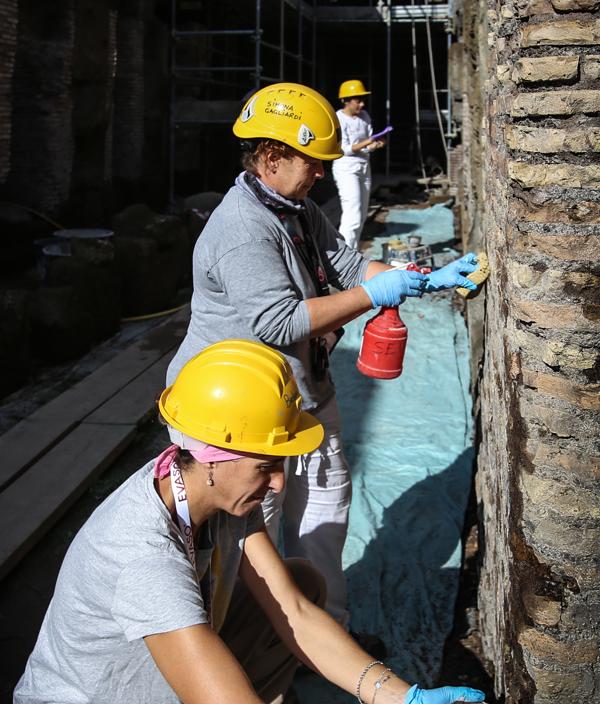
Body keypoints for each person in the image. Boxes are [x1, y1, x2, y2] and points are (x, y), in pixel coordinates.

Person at [4, 339, 515, 704]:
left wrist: (404, 699)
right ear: (215, 457)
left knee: (300, 582)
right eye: (266, 467)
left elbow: (292, 610)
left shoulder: (210, 496)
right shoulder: (142, 555)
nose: (278, 484)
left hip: (152, 703)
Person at [166, 81, 478, 645]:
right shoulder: (242, 229)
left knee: (324, 521)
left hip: (301, 391)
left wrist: (425, 280)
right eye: (312, 163)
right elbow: (279, 322)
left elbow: (346, 261)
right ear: (270, 157)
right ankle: (240, 660)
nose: (320, 174)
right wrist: (371, 298)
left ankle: (328, 635)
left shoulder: (298, 208)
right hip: (234, 417)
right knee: (243, 548)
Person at [332, 78, 384, 249]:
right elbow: (343, 149)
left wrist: (375, 145)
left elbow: (367, 146)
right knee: (352, 214)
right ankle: (344, 256)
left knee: (361, 215)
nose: (362, 104)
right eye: (358, 100)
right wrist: (368, 142)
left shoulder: (364, 117)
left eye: (363, 100)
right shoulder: (338, 118)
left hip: (363, 165)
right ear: (346, 100)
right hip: (346, 167)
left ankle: (353, 253)